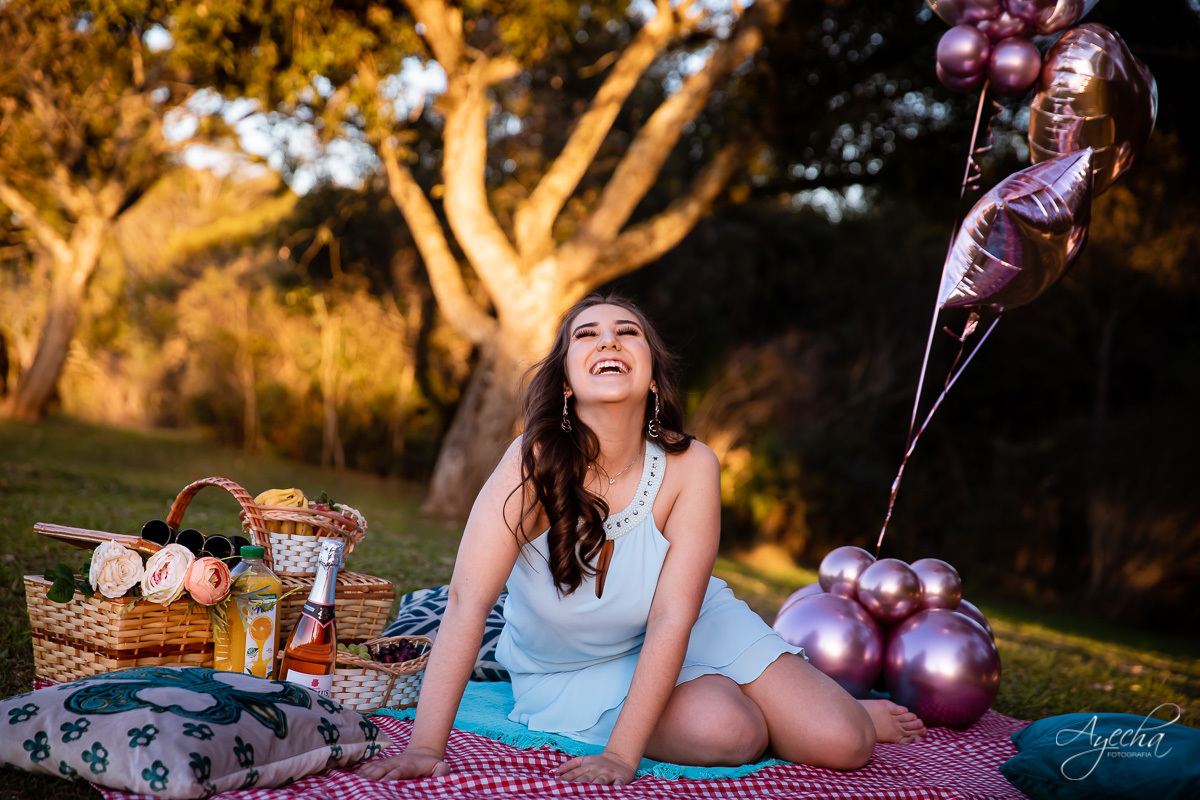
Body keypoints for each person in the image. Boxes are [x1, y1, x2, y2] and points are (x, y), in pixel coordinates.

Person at [357, 294, 926, 786]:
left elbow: (675, 617)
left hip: (695, 625)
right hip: (572, 669)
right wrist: (426, 747)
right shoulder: (530, 462)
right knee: (732, 732)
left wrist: (622, 755)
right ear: (566, 381)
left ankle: (817, 709)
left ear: (652, 375)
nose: (610, 340)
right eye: (588, 334)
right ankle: (755, 706)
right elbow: (466, 603)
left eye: (627, 332)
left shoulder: (692, 464)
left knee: (845, 743)